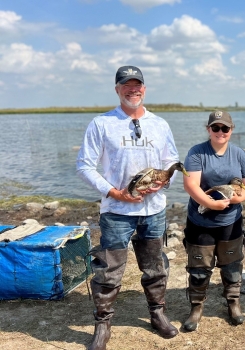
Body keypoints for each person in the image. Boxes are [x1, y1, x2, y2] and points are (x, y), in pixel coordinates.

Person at [76, 65, 181, 349]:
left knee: (155, 267)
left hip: (154, 210)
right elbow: (85, 165)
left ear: (144, 89)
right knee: (108, 270)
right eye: (126, 85)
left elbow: (171, 160)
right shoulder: (102, 123)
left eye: (137, 85)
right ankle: (102, 324)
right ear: (117, 89)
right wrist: (113, 192)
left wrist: (162, 181)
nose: (132, 89)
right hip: (116, 212)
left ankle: (158, 314)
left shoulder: (160, 124)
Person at [182, 110, 245, 332]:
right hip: (200, 220)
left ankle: (233, 303)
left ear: (231, 130)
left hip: (231, 220)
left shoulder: (240, 154)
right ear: (208, 130)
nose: (220, 132)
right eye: (216, 128)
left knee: (232, 265)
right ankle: (196, 307)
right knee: (199, 268)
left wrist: (239, 198)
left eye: (225, 128)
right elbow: (191, 185)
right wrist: (211, 204)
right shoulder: (196, 153)